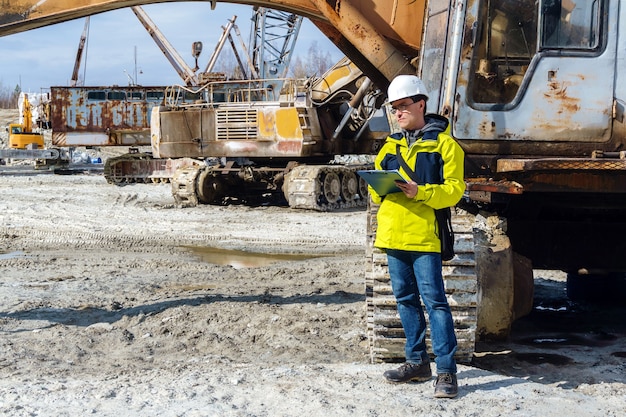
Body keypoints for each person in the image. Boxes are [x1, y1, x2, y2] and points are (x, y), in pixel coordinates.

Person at [369, 74, 466, 399]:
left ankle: (446, 372)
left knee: (436, 303)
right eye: (394, 108)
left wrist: (420, 191)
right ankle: (416, 362)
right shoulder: (389, 146)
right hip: (393, 236)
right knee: (405, 301)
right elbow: (373, 191)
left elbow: (454, 191)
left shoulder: (445, 145)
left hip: (425, 238)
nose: (397, 113)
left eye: (403, 106)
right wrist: (378, 187)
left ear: (420, 104)